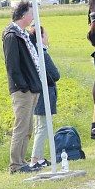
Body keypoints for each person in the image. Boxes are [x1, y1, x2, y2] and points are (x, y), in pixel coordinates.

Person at [2, 0, 43, 174]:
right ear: (24, 15)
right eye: (32, 14)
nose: (33, 17)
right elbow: (12, 65)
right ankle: (15, 165)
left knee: (28, 128)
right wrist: (24, 86)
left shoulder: (24, 34)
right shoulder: (12, 35)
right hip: (22, 90)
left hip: (31, 88)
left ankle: (22, 162)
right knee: (21, 128)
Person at [28, 25, 59, 168]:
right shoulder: (43, 54)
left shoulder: (32, 54)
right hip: (45, 95)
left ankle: (38, 157)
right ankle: (34, 159)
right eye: (45, 35)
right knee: (43, 127)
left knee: (39, 126)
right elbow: (55, 74)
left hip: (36, 95)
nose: (47, 37)